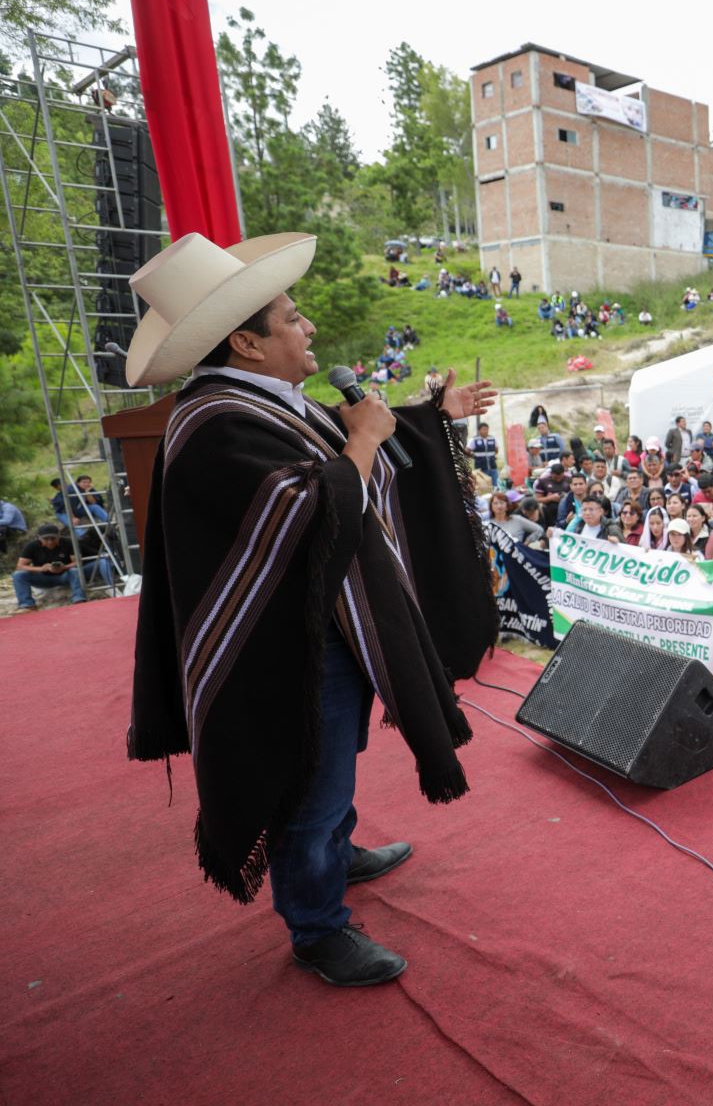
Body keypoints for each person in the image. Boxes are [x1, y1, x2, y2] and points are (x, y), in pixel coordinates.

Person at [124, 231, 496, 988]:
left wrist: (431, 413)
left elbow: (342, 437)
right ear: (247, 343)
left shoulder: (255, 399)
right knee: (310, 783)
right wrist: (361, 442)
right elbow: (308, 507)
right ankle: (316, 925)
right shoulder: (213, 425)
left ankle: (334, 851)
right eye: (293, 319)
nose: (310, 330)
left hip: (325, 626)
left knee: (331, 768)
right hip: (286, 648)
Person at [12, 523, 87, 610]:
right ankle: (27, 605)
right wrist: (41, 568)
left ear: (59, 536)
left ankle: (79, 599)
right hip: (42, 578)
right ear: (39, 538)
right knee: (18, 575)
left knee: (74, 571)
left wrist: (64, 567)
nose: (50, 542)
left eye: (53, 538)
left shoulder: (67, 542)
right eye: (46, 539)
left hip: (64, 576)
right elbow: (20, 566)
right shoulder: (32, 546)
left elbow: (78, 562)